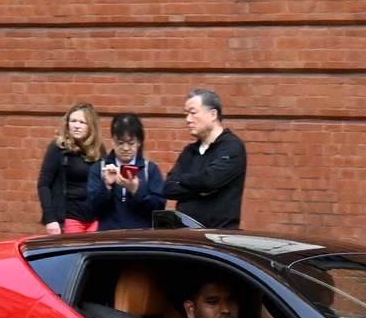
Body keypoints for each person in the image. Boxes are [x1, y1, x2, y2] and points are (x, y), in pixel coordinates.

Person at [165, 88, 247, 229]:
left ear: (213, 114)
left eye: (193, 113)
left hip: (217, 237)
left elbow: (210, 181)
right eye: (186, 114)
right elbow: (168, 188)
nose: (188, 120)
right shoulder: (189, 152)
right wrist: (199, 188)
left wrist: (182, 179)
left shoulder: (231, 147)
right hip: (185, 236)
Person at [83, 113, 168, 230]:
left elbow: (158, 209)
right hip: (109, 239)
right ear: (112, 141)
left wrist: (136, 191)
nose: (125, 148)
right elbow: (92, 210)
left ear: (139, 142)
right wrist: (106, 187)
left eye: (131, 143)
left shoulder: (150, 170)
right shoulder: (99, 169)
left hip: (142, 240)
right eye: (120, 142)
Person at [39, 104, 106, 233]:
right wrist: (50, 218)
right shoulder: (58, 149)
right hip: (70, 217)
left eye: (82, 122)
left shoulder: (99, 150)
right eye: (73, 121)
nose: (76, 126)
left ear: (91, 127)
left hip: (94, 218)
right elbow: (44, 185)